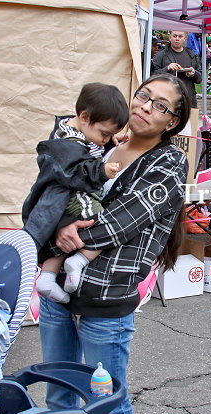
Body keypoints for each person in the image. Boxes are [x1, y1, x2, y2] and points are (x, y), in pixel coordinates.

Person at [39, 73, 191, 414]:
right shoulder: (102, 142)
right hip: (57, 291)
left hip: (105, 297)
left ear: (172, 122)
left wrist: (60, 233)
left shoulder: (169, 162)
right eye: (143, 95)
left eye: (160, 106)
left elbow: (122, 221)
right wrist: (56, 225)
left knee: (106, 406)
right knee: (58, 394)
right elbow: (53, 178)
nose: (145, 107)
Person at [22, 83, 129, 304]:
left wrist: (110, 142)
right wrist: (101, 171)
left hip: (66, 197)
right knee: (105, 223)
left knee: (67, 237)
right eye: (104, 134)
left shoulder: (74, 132)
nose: (105, 139)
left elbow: (93, 146)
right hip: (76, 196)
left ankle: (47, 277)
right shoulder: (68, 144)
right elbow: (77, 171)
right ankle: (79, 261)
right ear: (84, 116)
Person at [152, 30, 202, 108]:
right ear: (170, 37)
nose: (177, 39)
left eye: (180, 36)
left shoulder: (191, 55)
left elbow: (200, 78)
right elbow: (152, 75)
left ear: (185, 38)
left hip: (188, 100)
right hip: (167, 99)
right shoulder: (161, 55)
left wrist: (194, 73)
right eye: (174, 36)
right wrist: (167, 68)